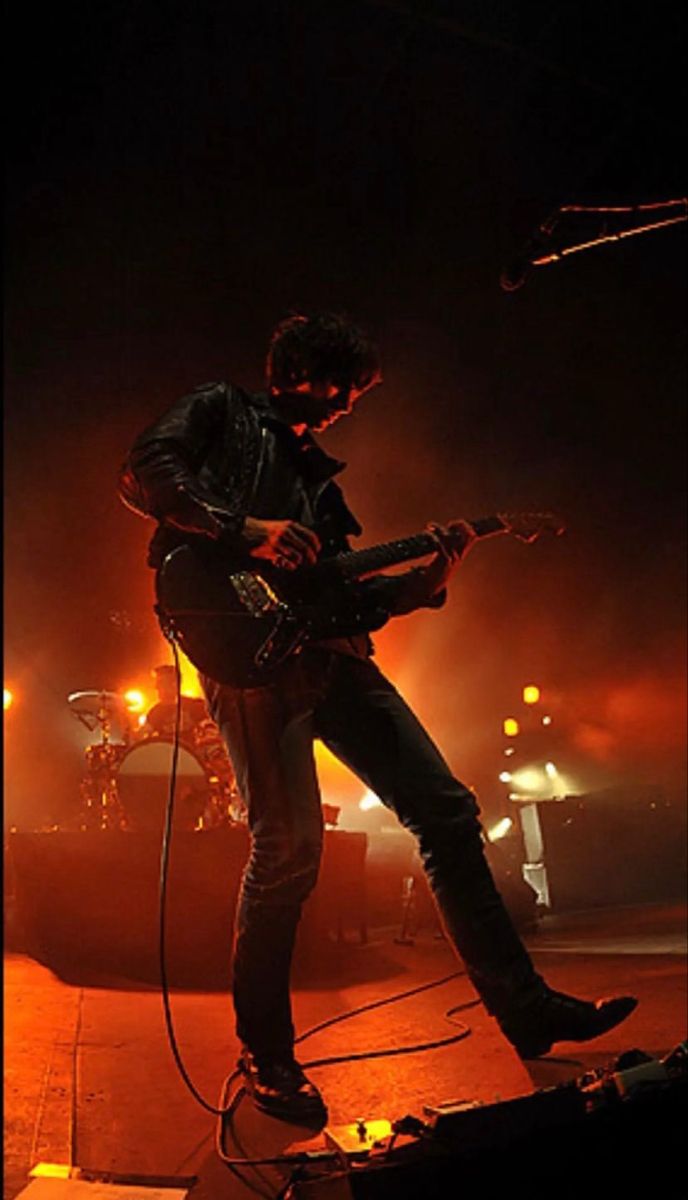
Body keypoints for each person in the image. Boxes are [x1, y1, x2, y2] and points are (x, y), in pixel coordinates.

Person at [118, 311, 636, 1123]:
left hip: (334, 657)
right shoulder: (222, 412)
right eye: (341, 386)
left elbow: (346, 597)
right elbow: (146, 469)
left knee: (446, 810)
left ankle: (526, 1010)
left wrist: (428, 578)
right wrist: (244, 530)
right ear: (295, 368)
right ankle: (265, 1053)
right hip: (249, 661)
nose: (348, 404)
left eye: (355, 392)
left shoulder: (321, 483)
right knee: (287, 850)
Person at [141, 664, 209, 739]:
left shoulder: (195, 706)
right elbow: (144, 735)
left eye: (161, 682)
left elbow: (211, 731)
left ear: (174, 683)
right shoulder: (155, 713)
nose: (156, 687)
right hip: (168, 750)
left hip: (192, 749)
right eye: (157, 683)